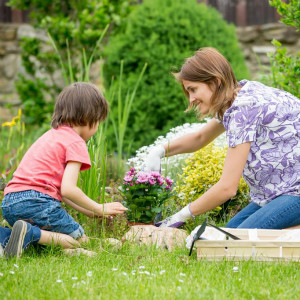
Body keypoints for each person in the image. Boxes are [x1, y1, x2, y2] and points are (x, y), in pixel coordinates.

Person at [145, 47, 300, 230]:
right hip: (278, 193)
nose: (191, 99)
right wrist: (159, 151)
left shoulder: (244, 108)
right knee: (230, 232)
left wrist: (179, 216)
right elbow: (200, 137)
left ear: (215, 82)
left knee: (234, 242)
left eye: (193, 89)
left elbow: (228, 187)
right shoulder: (237, 96)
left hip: (294, 192)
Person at [1, 82, 127, 254]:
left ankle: (7, 236)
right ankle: (31, 233)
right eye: (98, 121)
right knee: (76, 241)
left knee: (46, 244)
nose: (97, 127)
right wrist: (99, 207)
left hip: (10, 202)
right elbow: (68, 190)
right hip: (37, 203)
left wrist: (88, 211)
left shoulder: (51, 136)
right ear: (89, 118)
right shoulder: (75, 142)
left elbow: (59, 191)